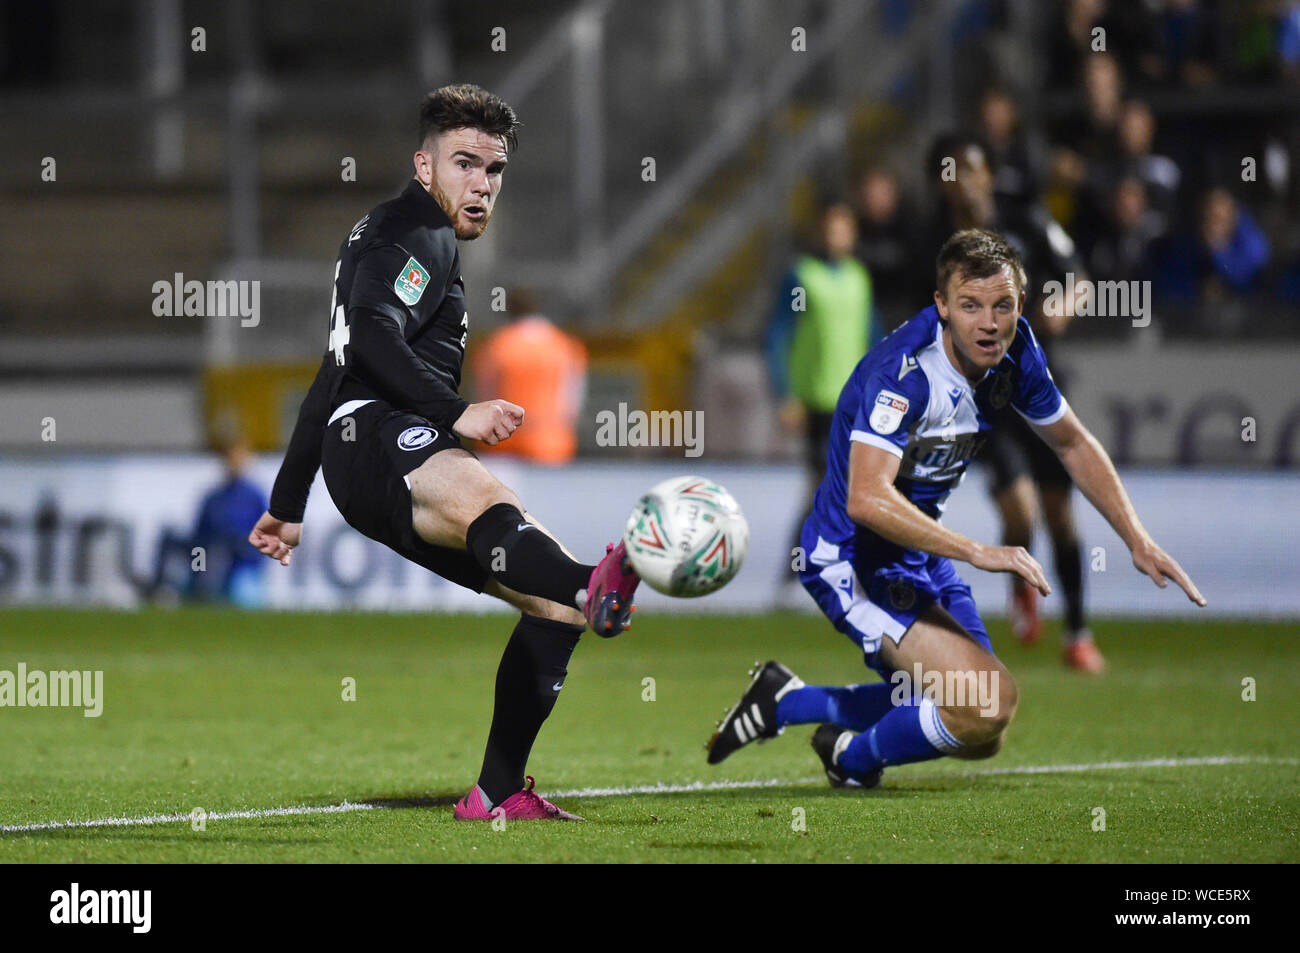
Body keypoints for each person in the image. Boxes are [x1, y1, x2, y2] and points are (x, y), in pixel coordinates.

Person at [247, 84, 640, 822]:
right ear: (423, 165)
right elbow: (367, 344)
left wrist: (286, 503)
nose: (481, 186)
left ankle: (496, 790)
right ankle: (598, 583)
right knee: (505, 517)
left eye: (493, 171)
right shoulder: (415, 232)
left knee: (549, 602)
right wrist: (457, 411)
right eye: (465, 165)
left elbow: (332, 367)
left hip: (365, 444)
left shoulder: (388, 236)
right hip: (379, 434)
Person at [706, 229, 1205, 787]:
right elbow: (866, 498)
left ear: (1021, 302)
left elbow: (1071, 442)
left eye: (1003, 306)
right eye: (970, 306)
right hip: (850, 558)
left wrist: (1137, 539)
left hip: (916, 551)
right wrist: (976, 551)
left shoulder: (1017, 353)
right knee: (982, 706)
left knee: (981, 734)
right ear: (941, 305)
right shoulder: (904, 376)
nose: (989, 323)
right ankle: (848, 759)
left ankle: (791, 703)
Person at [921, 132, 1102, 672]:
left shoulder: (1027, 218)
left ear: (990, 174)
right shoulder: (931, 241)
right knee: (1021, 513)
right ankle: (1023, 584)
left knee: (1061, 516)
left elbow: (1081, 278)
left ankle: (1078, 633)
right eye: (950, 172)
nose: (963, 181)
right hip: (979, 401)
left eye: (971, 168)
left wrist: (1065, 304)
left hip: (1036, 389)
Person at [765, 201, 881, 593]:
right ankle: (796, 571)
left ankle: (849, 571)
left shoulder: (859, 278)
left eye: (844, 228)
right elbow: (779, 333)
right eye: (831, 228)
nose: (837, 236)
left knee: (853, 487)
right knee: (824, 485)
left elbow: (874, 337)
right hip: (816, 400)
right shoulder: (803, 276)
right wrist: (785, 393)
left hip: (854, 402)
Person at [469, 288, 587, 464]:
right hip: (550, 444)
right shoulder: (565, 346)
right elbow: (573, 402)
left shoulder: (496, 346)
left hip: (502, 444)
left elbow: (483, 395)